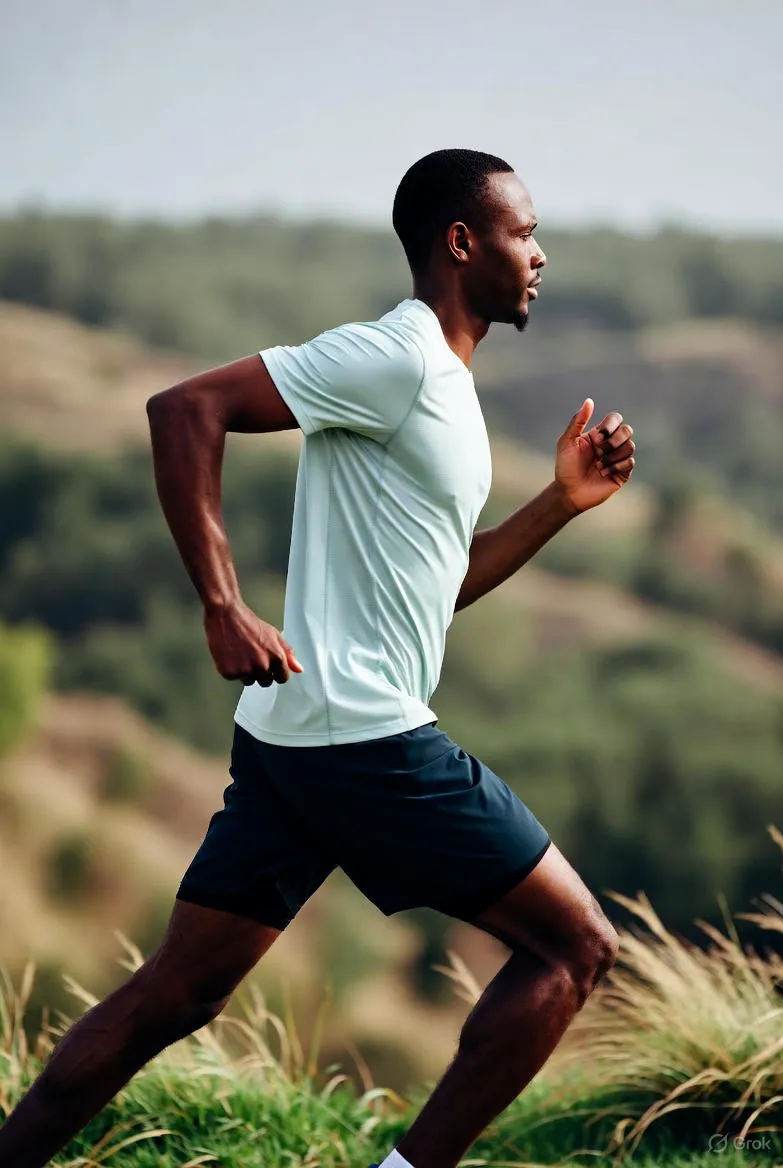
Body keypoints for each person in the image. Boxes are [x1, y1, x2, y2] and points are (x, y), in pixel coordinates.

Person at [0, 148, 635, 1168]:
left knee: (179, 991)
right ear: (461, 243)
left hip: (298, 732)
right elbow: (184, 409)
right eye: (522, 234)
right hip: (365, 738)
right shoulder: (394, 357)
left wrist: (559, 503)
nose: (539, 254)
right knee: (577, 946)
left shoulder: (441, 388)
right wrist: (222, 603)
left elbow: (439, 591)